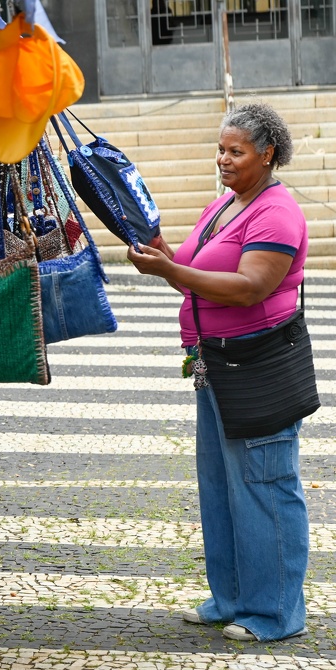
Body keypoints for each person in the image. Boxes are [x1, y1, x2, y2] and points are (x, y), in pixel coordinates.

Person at [127, 103, 309, 643]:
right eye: (221, 149)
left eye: (236, 151)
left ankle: (275, 613)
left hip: (258, 362)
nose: (223, 159)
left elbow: (252, 285)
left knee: (265, 482)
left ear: (267, 153)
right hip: (214, 360)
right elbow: (191, 279)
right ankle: (230, 597)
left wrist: (173, 268)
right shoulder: (225, 206)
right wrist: (162, 256)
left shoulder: (276, 212)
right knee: (221, 484)